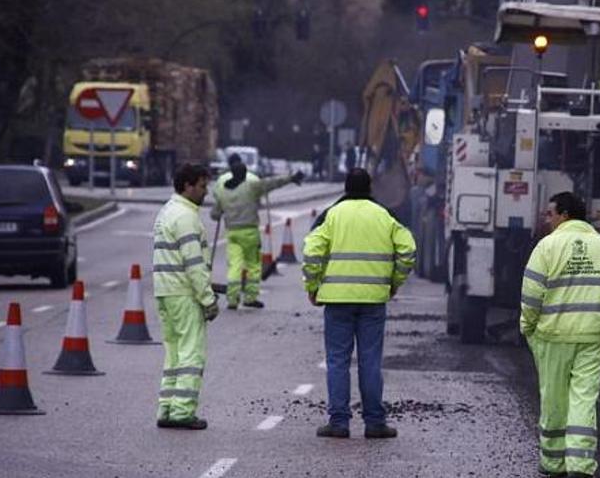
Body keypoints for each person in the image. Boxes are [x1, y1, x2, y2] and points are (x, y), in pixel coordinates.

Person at [302, 169, 416, 439]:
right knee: (370, 362)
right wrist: (394, 281)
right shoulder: (383, 215)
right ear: (370, 188)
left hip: (338, 302)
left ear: (345, 187)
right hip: (373, 301)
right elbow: (408, 249)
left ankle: (339, 423)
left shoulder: (333, 214)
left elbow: (311, 251)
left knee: (338, 361)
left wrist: (312, 286)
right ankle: (375, 423)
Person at [520, 192, 600, 478]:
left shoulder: (546, 247)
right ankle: (580, 465)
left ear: (564, 215)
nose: (548, 219)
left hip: (553, 336)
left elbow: (531, 295)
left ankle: (554, 464)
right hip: (595, 335)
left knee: (554, 399)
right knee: (584, 398)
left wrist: (527, 326)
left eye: (550, 214)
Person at [152, 163, 219, 430]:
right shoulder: (186, 217)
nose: (206, 191)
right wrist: (208, 300)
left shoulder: (167, 212)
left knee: (174, 355)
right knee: (192, 355)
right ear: (187, 186)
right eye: (202, 186)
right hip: (184, 294)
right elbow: (194, 265)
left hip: (165, 292)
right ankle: (182, 413)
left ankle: (166, 408)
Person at [210, 154, 304, 309]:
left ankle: (232, 299)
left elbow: (214, 214)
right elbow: (272, 183)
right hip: (249, 232)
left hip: (232, 233)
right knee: (253, 265)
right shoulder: (251, 187)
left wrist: (222, 211)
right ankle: (250, 297)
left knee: (234, 265)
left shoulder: (223, 191)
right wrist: (291, 178)